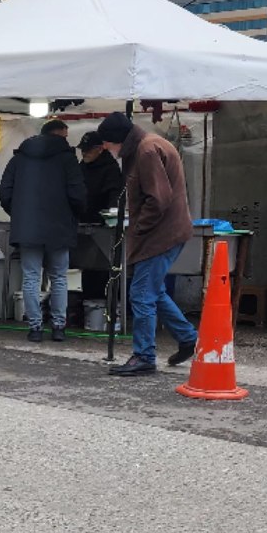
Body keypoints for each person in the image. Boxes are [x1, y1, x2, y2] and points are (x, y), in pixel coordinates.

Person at [97, 112, 198, 376]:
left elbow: (159, 199)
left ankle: (144, 356)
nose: (106, 148)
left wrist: (140, 229)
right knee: (153, 291)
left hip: (159, 235)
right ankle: (187, 337)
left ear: (118, 139)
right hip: (168, 231)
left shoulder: (146, 151)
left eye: (107, 143)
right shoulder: (151, 143)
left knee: (141, 295)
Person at [0, 120, 87, 342]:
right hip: (59, 226)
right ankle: (58, 327)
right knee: (59, 277)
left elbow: (5, 190)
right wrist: (74, 214)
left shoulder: (19, 158)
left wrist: (19, 213)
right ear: (59, 135)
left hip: (28, 227)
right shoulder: (68, 159)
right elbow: (77, 193)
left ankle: (35, 328)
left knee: (31, 277)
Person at [77, 130, 125, 299]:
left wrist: (108, 219)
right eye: (83, 149)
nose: (84, 153)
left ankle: (102, 307)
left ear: (100, 149)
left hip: (103, 228)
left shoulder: (111, 169)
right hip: (83, 225)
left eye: (88, 149)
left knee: (102, 268)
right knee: (87, 267)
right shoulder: (81, 167)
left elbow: (115, 196)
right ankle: (88, 304)